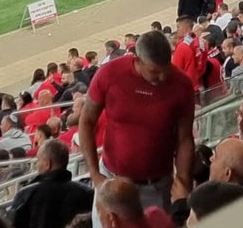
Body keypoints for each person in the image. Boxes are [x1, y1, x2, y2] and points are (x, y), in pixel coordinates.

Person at [79, 30, 195, 211]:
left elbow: (185, 139)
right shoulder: (109, 74)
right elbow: (86, 121)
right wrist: (94, 174)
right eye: (154, 71)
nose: (162, 77)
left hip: (157, 187)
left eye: (167, 69)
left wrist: (183, 182)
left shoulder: (182, 85)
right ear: (137, 59)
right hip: (111, 181)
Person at [9, 139, 92, 228]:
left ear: (47, 164)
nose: (37, 165)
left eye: (38, 160)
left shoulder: (27, 194)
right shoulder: (86, 192)